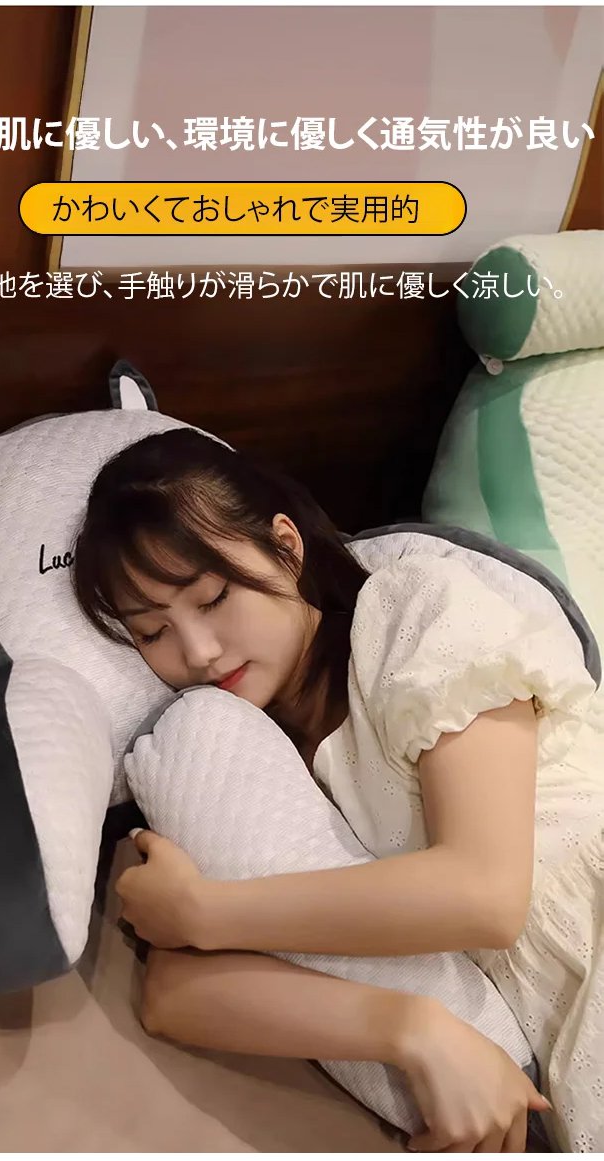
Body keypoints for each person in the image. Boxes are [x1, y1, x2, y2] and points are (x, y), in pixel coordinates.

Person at [73, 427, 604, 1153]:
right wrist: (409, 1028)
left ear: (286, 547)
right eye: (152, 632)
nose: (197, 651)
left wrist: (205, 910)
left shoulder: (416, 611)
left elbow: (486, 893)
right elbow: (174, 993)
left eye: (215, 597)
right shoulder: (244, 760)